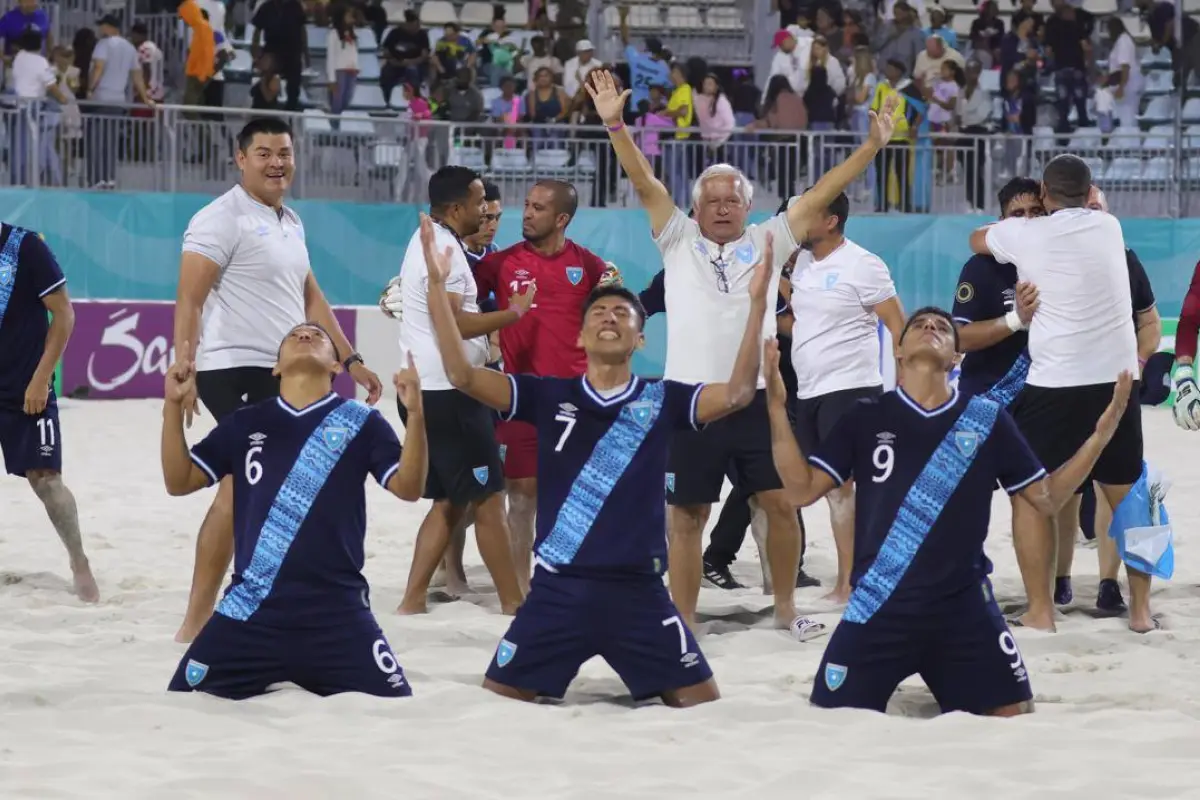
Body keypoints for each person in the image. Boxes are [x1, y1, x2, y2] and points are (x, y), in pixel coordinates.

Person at [585, 68, 898, 637]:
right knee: (686, 518)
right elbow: (643, 179)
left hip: (758, 401)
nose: (723, 207)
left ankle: (783, 611)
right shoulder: (676, 237)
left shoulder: (770, 240)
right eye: (713, 199)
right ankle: (682, 617)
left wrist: (871, 148)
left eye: (733, 199)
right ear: (697, 207)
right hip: (688, 401)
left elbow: (824, 190)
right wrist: (614, 124)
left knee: (781, 506)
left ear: (747, 208)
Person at [420, 213, 771, 706]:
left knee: (701, 703)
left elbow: (736, 394)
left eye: (622, 314)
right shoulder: (547, 394)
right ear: (580, 338)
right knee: (498, 698)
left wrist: (757, 304)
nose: (610, 317)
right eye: (598, 313)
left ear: (641, 339)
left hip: (641, 593)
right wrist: (437, 289)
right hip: (557, 591)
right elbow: (462, 375)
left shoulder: (663, 399)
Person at [766, 307, 1132, 715]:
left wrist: (1101, 436)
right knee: (831, 718)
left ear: (956, 358)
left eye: (942, 327)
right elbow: (800, 491)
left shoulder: (985, 418)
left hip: (963, 607)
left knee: (1014, 716)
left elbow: (1046, 499)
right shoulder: (866, 416)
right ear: (899, 353)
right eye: (919, 325)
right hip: (880, 602)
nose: (930, 328)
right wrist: (777, 410)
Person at [172, 116, 383, 643]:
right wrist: (185, 365)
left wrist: (352, 359)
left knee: (265, 485)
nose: (276, 162)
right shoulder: (219, 218)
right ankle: (197, 619)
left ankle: (264, 599)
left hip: (289, 370)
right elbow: (190, 298)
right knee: (238, 484)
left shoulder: (291, 221)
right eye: (263, 153)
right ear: (240, 159)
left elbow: (311, 297)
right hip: (236, 365)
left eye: (284, 152)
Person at [162, 323, 427, 699]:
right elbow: (179, 480)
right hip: (250, 611)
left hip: (338, 613)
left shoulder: (362, 422)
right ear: (275, 368)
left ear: (337, 367)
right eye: (294, 336)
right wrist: (172, 408)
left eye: (318, 336)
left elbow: (410, 488)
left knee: (398, 701)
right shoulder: (246, 422)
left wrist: (416, 417)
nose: (305, 336)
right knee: (182, 696)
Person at [969, 155, 1149, 633]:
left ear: (1044, 194)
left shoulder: (1026, 233)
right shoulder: (1109, 227)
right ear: (1092, 194)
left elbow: (977, 239)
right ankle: (1142, 613)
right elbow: (1088, 209)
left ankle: (1041, 611)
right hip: (1118, 380)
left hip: (1056, 382)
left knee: (1031, 499)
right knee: (1133, 498)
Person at [639, 253, 818, 592]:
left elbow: (784, 325)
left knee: (775, 499)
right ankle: (695, 592)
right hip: (695, 401)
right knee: (687, 512)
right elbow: (639, 308)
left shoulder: (751, 267)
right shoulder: (675, 274)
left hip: (760, 395)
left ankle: (781, 595)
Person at [393, 166, 528, 616]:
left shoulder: (429, 241)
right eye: (477, 202)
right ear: (456, 209)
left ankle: (412, 600)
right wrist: (513, 314)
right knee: (488, 499)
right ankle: (513, 603)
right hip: (449, 392)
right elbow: (451, 322)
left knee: (450, 501)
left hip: (431, 389)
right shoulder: (445, 250)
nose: (484, 208)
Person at [473, 180, 615, 594]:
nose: (527, 214)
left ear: (562, 218)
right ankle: (520, 591)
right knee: (521, 499)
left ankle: (576, 582)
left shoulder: (589, 266)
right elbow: (460, 307)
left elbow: (617, 317)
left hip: (576, 403)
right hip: (520, 399)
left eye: (537, 208)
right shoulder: (499, 264)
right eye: (527, 205)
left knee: (579, 498)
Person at [789, 189, 906, 604]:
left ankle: (852, 582)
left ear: (831, 220)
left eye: (805, 212)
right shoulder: (802, 261)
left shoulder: (863, 264)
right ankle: (851, 578)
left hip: (851, 388)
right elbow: (805, 314)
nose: (795, 218)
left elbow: (897, 325)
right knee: (827, 492)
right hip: (809, 390)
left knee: (845, 490)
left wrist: (906, 393)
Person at [1058, 186, 1162, 612]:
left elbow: (1150, 323)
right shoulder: (1052, 258)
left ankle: (1108, 585)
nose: (1090, 215)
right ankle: (1059, 581)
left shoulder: (1125, 259)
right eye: (1084, 207)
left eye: (1097, 208)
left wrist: (1133, 365)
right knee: (1064, 491)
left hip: (1116, 391)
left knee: (1117, 493)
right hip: (1064, 388)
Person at [0, 223, 98, 601]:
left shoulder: (24, 246)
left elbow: (64, 315)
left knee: (46, 481)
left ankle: (79, 563)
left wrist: (41, 380)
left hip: (26, 390)